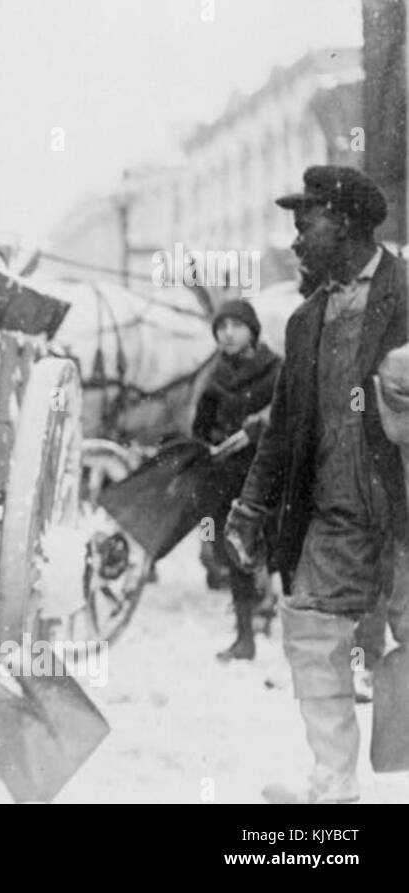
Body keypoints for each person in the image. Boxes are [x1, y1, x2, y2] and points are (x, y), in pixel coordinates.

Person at [226, 166, 409, 803]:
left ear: (349, 223)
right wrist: (250, 507)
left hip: (407, 511)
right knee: (309, 633)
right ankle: (333, 784)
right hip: (336, 514)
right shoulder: (306, 321)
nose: (297, 237)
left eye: (308, 222)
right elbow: (281, 430)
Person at [191, 299, 280, 661]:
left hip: (270, 476)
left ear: (252, 331)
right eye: (221, 327)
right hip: (228, 478)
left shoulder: (276, 370)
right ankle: (245, 639)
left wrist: (257, 430)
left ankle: (285, 624)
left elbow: (293, 414)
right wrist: (207, 447)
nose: (227, 334)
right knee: (233, 551)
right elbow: (201, 427)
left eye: (236, 326)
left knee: (276, 549)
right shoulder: (216, 377)